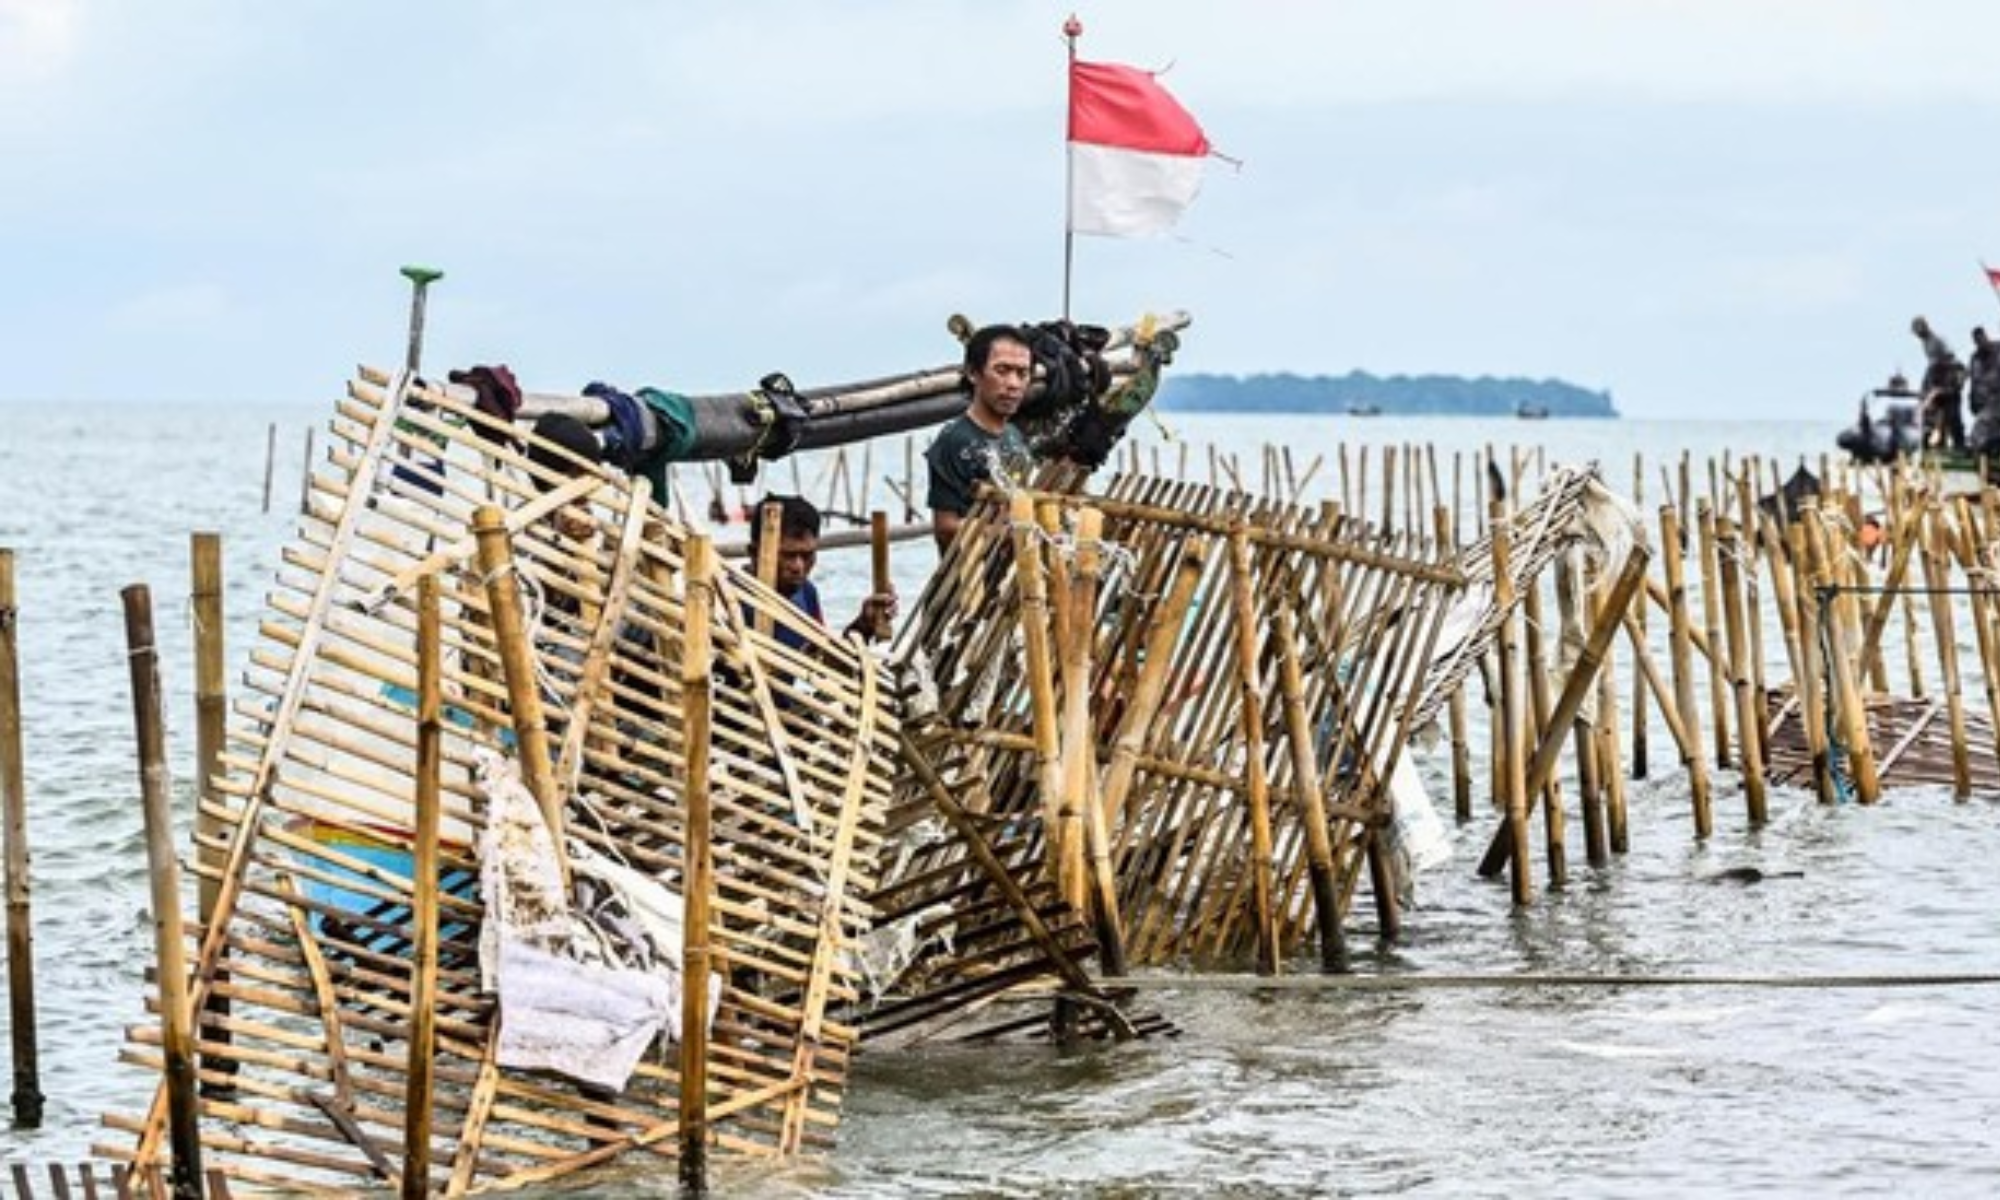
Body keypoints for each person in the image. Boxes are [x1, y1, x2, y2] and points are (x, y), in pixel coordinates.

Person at [925, 324, 1037, 553]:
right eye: (1002, 370)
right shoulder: (954, 440)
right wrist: (1007, 533)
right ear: (973, 373)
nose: (1013, 384)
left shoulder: (1014, 436)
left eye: (1022, 373)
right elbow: (945, 528)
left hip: (1015, 581)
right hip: (969, 580)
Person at [746, 494, 898, 644]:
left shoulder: (806, 593)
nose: (798, 567)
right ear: (754, 553)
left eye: (807, 555)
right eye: (788, 556)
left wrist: (864, 625)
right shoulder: (730, 600)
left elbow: (823, 659)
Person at [1911, 316, 1967, 450]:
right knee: (1933, 412)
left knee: (1953, 415)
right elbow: (1932, 364)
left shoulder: (1938, 339)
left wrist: (1948, 382)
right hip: (1936, 378)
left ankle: (1959, 445)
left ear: (1924, 327)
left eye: (1918, 330)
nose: (1917, 335)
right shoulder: (1925, 342)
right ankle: (1937, 443)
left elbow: (1950, 358)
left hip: (1949, 376)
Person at [1967, 326, 2000, 454]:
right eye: (1977, 341)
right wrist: (1972, 399)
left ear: (1986, 336)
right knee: (1984, 427)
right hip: (1985, 402)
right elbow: (1973, 382)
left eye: (1981, 339)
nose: (1980, 343)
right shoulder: (1975, 358)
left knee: (1985, 423)